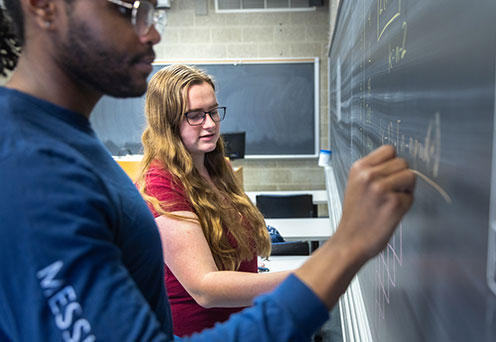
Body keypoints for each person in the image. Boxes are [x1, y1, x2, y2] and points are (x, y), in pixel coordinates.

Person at [0, 1, 415, 341]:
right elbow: (201, 289)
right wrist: (344, 251)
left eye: (153, 13)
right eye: (128, 11)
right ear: (43, 7)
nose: (152, 34)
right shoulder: (29, 168)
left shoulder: (68, 140)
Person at [137, 64, 290, 336]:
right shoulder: (162, 183)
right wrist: (305, 279)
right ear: (167, 122)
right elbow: (205, 288)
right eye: (195, 116)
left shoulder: (217, 167)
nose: (210, 124)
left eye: (213, 111)